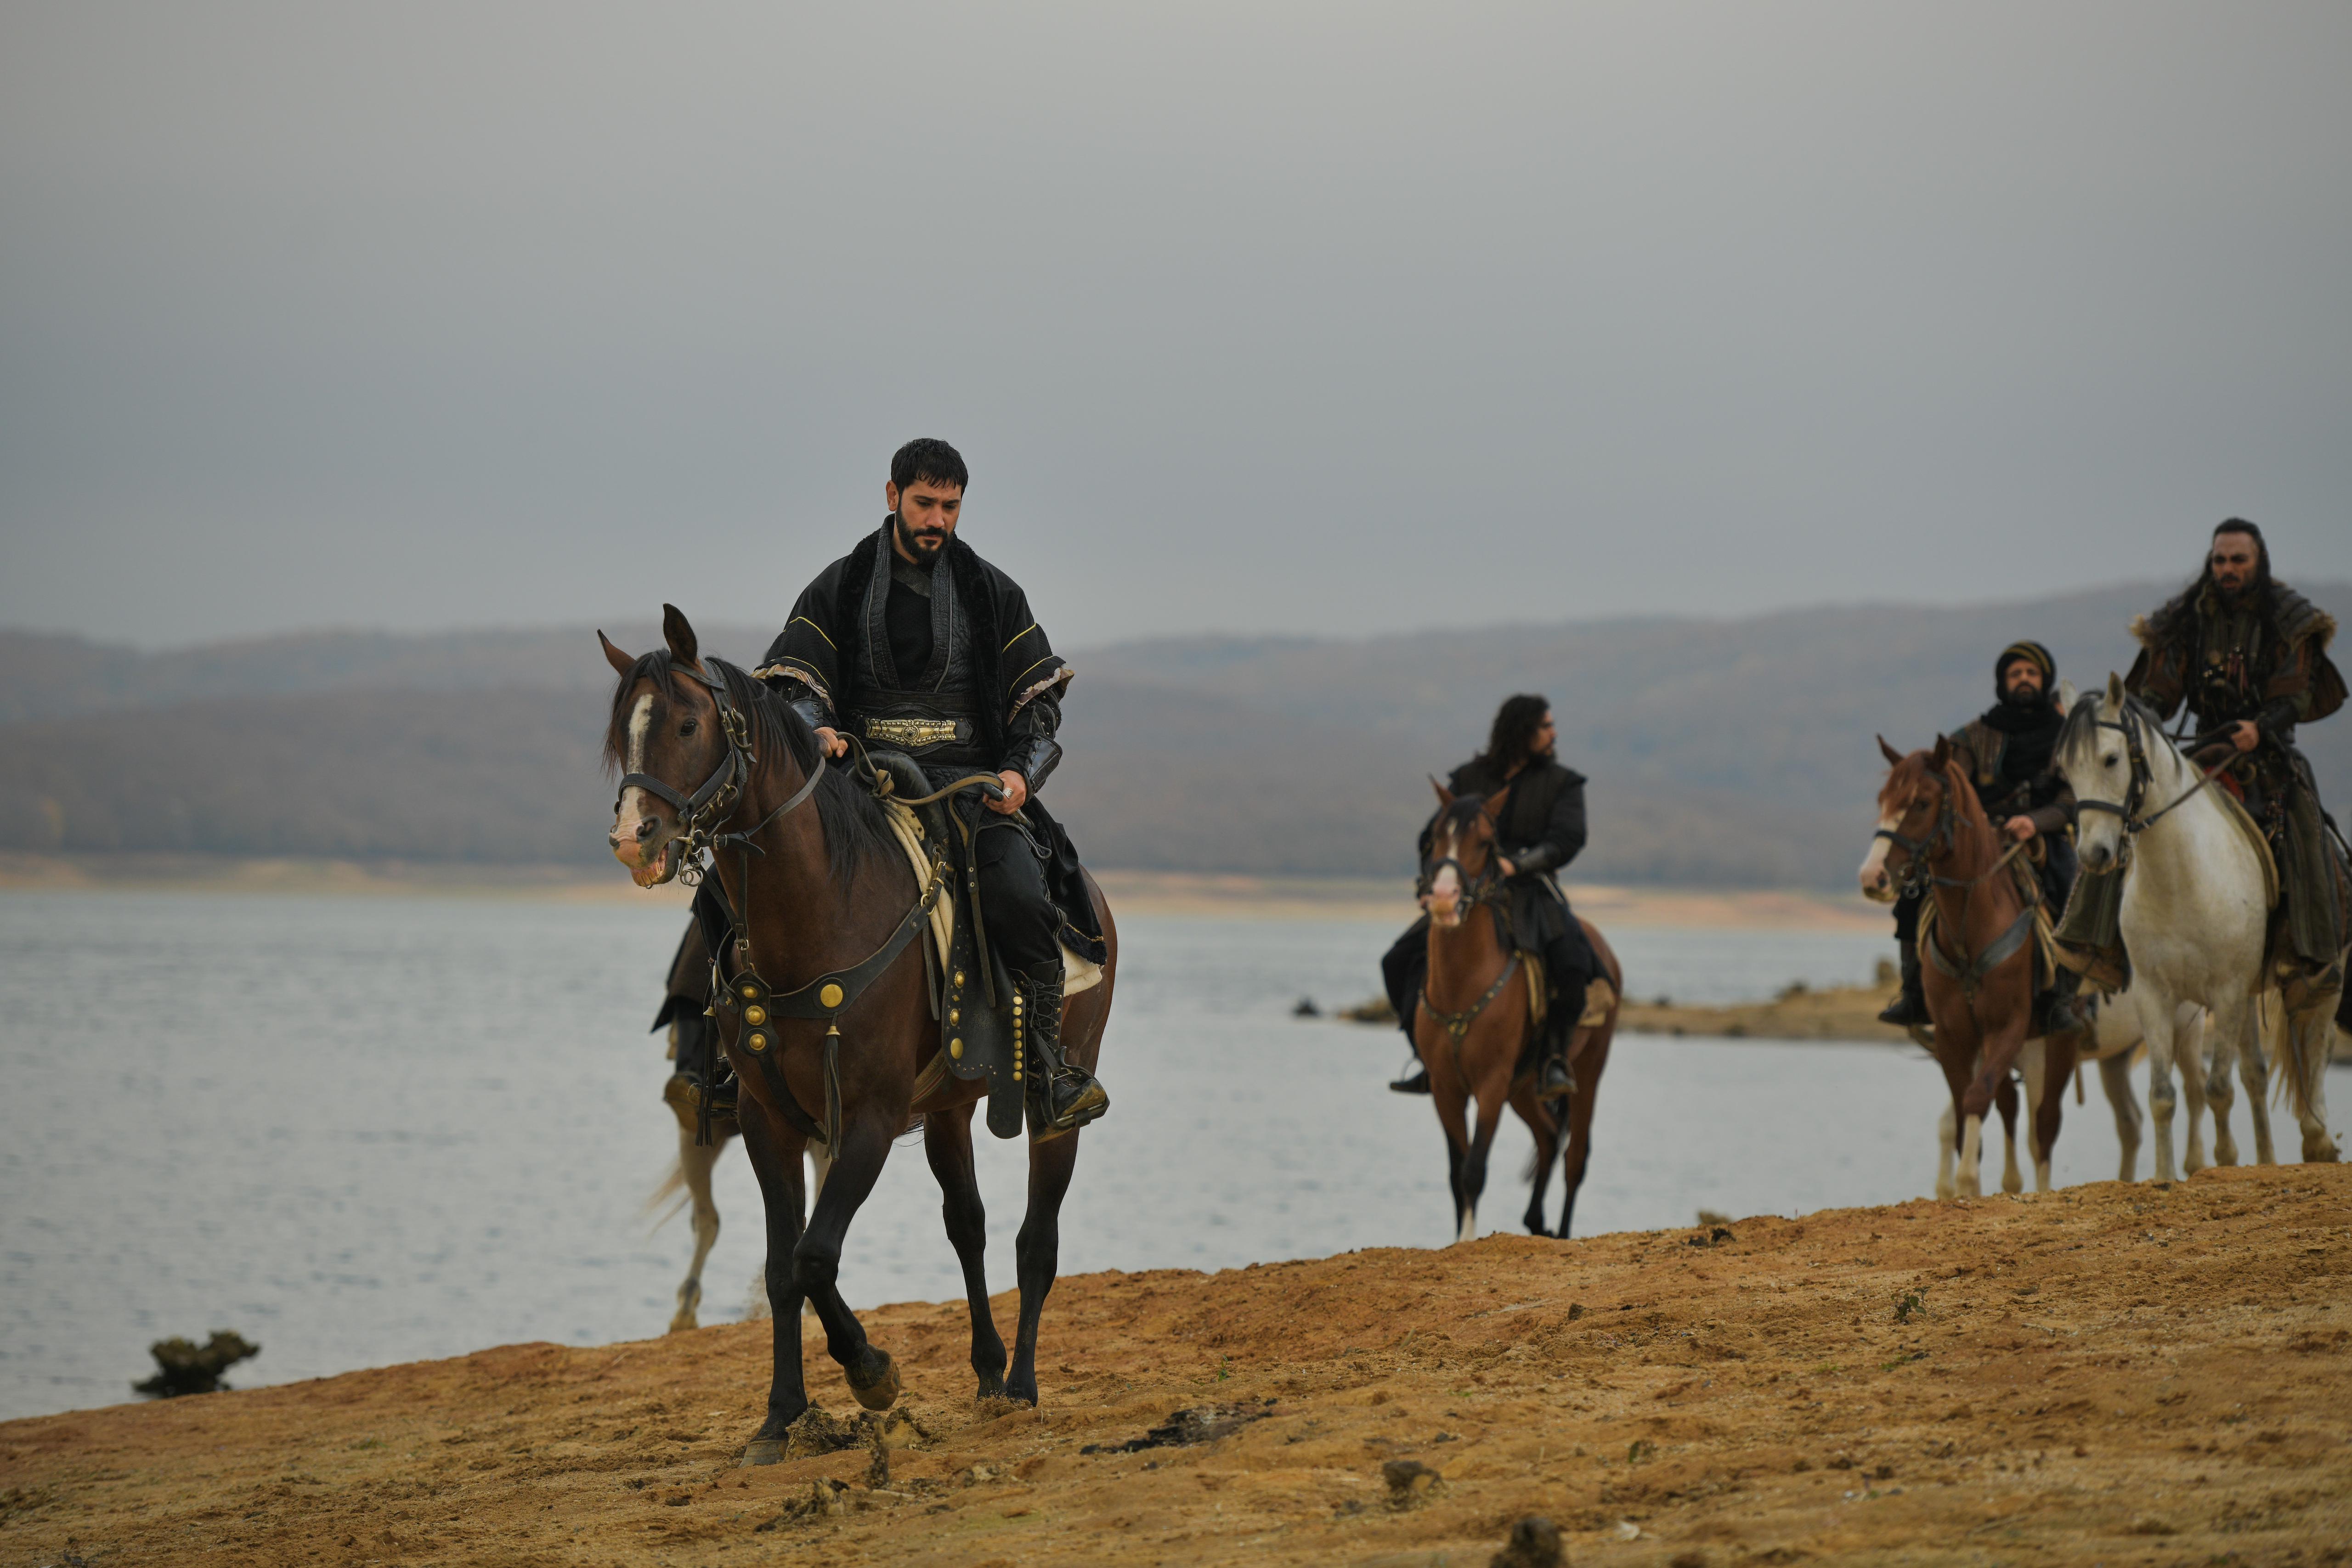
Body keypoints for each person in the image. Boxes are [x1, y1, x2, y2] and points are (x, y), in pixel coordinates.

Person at [753, 438, 1110, 1136]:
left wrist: (1017, 774)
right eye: (924, 503)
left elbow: (1038, 709)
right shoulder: (838, 585)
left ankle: (1048, 1066)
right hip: (856, 784)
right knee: (749, 878)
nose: (937, 519)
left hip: (972, 788)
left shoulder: (995, 592)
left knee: (1021, 894)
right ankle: (714, 1057)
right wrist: (816, 729)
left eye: (950, 506)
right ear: (892, 497)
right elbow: (794, 683)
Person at [2058, 519, 2346, 994]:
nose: (2227, 569)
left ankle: (2307, 959)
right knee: (2123, 808)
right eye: (2219, 560)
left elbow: (2295, 695)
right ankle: (2094, 944)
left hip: (2268, 753)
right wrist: (2134, 716)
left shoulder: (2288, 619)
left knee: (2302, 823)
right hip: (2197, 753)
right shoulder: (2183, 619)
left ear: (2258, 562)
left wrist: (2261, 727)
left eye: (2237, 560)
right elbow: (2158, 689)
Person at [1380, 695, 1595, 1100]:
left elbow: (1568, 839)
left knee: (1574, 966)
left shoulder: (1564, 784)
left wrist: (1519, 865)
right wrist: (1433, 883)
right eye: (1545, 726)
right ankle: (1426, 1059)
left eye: (1552, 726)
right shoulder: (1468, 779)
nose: (1554, 734)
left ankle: (1552, 1062)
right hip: (1468, 892)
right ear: (1521, 731)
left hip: (1532, 890)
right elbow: (1434, 837)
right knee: (1395, 963)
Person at [1878, 640, 2085, 1030]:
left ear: (2045, 680)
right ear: (2003, 682)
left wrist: (2035, 822)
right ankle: (1913, 994)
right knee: (1914, 890)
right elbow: (1949, 784)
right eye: (2015, 674)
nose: (2024, 679)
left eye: (2031, 673)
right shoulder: (1973, 735)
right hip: (1981, 837)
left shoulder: (2068, 736)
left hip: (2042, 836)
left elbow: (2072, 796)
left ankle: (2063, 1000)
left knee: (2072, 886)